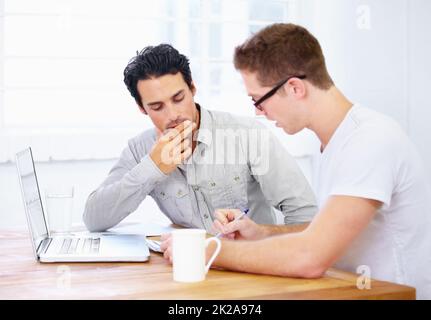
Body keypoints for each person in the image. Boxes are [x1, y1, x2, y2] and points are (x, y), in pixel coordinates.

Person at [160, 24, 431, 299]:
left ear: (294, 88)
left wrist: (209, 251)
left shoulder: (370, 141)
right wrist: (262, 233)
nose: (259, 113)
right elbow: (324, 233)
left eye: (259, 100)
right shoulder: (336, 140)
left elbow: (309, 257)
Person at [83, 44, 317, 234]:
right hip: (192, 271)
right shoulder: (139, 150)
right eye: (156, 106)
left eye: (178, 98)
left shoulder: (246, 134)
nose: (173, 115)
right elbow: (94, 219)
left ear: (193, 88)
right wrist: (152, 168)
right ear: (142, 108)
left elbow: (306, 216)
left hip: (253, 268)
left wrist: (266, 239)